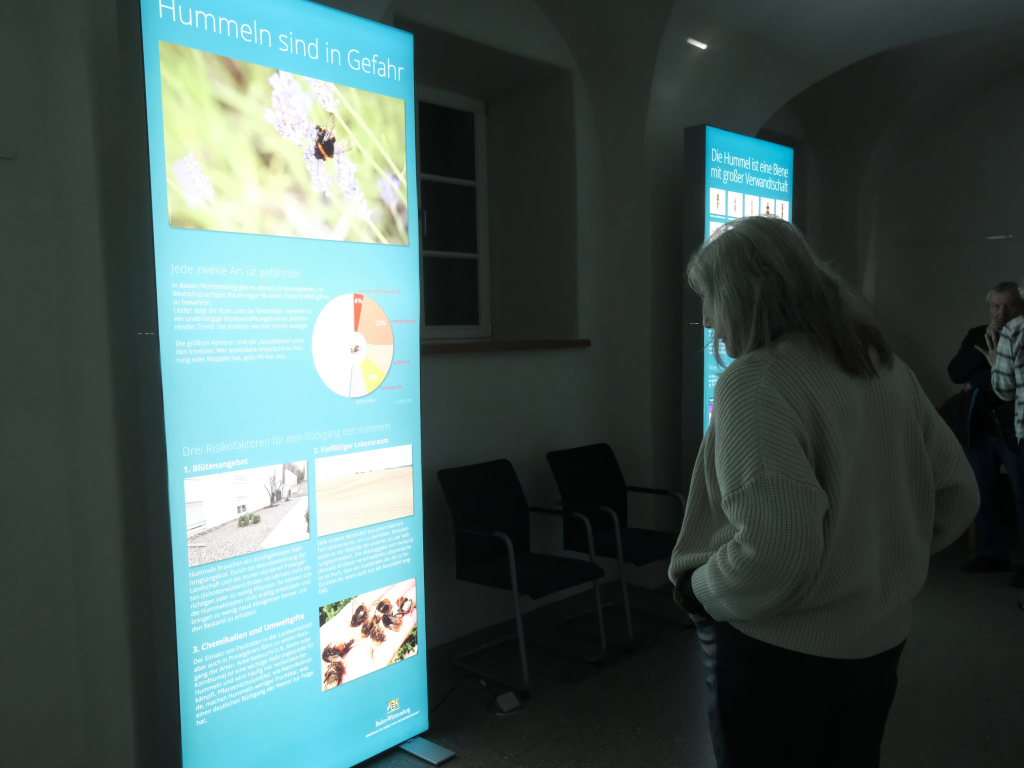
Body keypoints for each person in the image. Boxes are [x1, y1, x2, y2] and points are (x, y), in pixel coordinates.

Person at [669, 216, 978, 768]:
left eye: (710, 300)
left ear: (743, 297)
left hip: (778, 650)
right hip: (879, 640)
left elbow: (776, 551)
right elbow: (958, 495)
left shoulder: (756, 381)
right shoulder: (881, 364)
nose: (708, 319)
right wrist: (877, 561)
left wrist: (699, 592)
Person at [948, 282, 1023, 575]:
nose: (1001, 313)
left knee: (1021, 495)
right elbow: (956, 373)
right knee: (983, 493)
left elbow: (1009, 383)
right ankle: (993, 554)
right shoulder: (977, 334)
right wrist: (988, 346)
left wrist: (979, 377)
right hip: (979, 428)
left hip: (1014, 429)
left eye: (1009, 306)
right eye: (995, 306)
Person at [988, 303, 1024, 588]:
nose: (1002, 312)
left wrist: (994, 364)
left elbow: (1003, 388)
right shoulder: (979, 333)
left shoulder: (1016, 329)